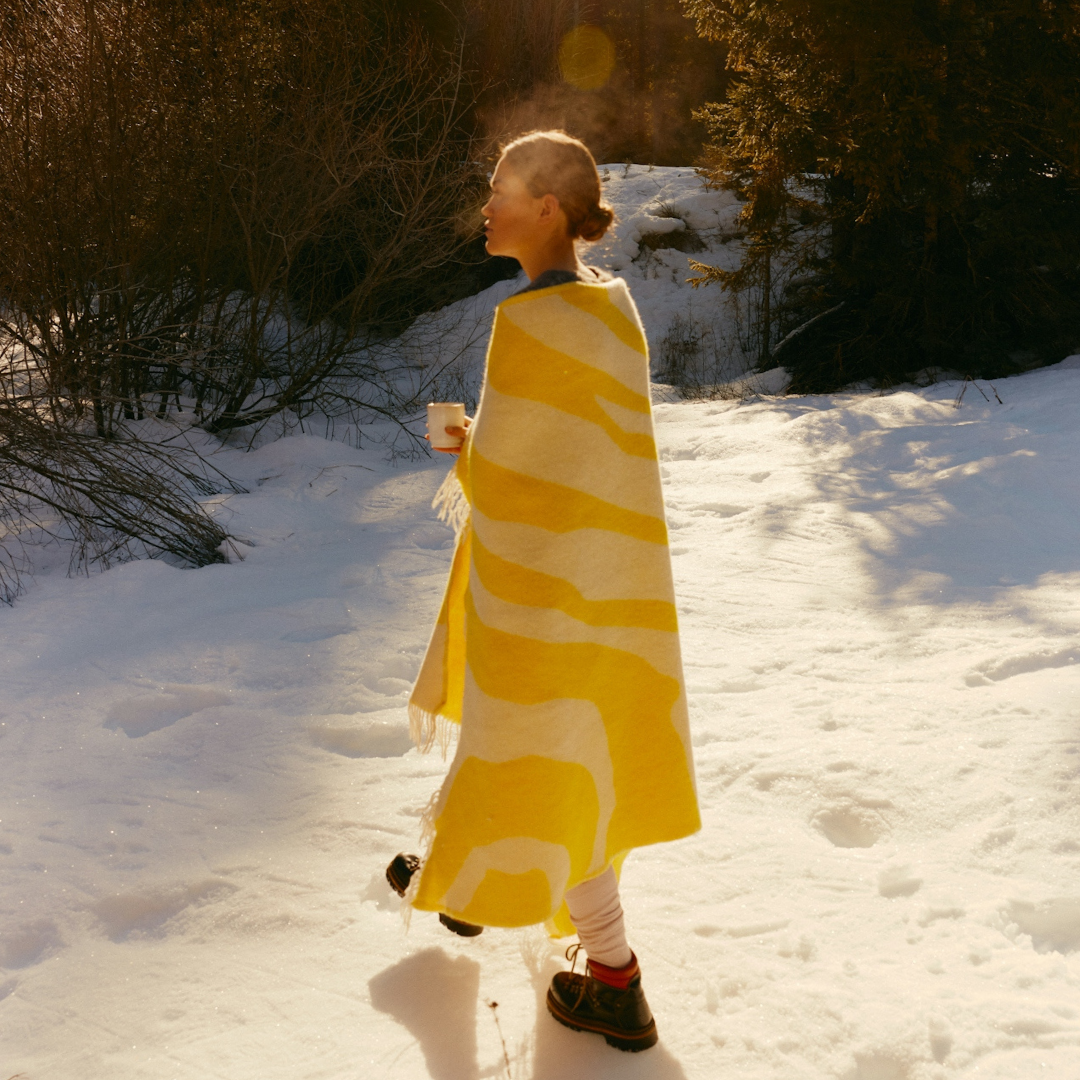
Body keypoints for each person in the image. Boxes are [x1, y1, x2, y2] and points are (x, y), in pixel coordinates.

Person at [386, 130, 700, 1053]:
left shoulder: (531, 321)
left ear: (548, 207)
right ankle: (470, 881)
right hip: (604, 589)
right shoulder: (609, 307)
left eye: (501, 190)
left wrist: (466, 449)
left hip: (540, 597)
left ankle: (616, 980)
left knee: (550, 763)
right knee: (543, 747)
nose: (486, 206)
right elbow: (584, 453)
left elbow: (515, 481)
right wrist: (494, 446)